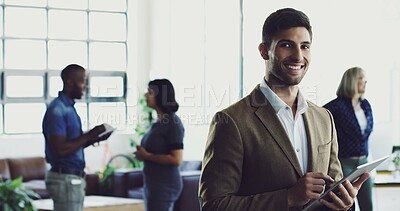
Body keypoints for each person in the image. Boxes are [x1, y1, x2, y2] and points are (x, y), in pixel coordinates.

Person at [199, 8, 369, 211]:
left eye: (305, 46)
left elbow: (333, 189)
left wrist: (345, 203)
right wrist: (288, 198)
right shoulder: (231, 121)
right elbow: (213, 205)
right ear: (264, 51)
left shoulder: (324, 118)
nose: (298, 56)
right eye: (286, 45)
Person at [42, 64, 113, 211]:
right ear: (69, 82)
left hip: (72, 178)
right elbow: (60, 150)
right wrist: (90, 134)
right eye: (83, 81)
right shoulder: (57, 110)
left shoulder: (69, 109)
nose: (85, 86)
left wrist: (94, 139)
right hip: (65, 179)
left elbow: (71, 145)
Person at [323, 67, 374, 211]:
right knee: (346, 205)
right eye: (361, 78)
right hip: (343, 164)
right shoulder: (336, 106)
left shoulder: (365, 105)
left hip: (364, 163)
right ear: (352, 80)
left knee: (367, 205)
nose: (365, 82)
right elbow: (319, 121)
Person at [134, 79, 185, 211]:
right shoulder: (157, 123)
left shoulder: (173, 122)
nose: (145, 95)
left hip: (164, 185)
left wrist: (147, 156)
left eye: (150, 92)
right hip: (153, 184)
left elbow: (176, 159)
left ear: (160, 95)